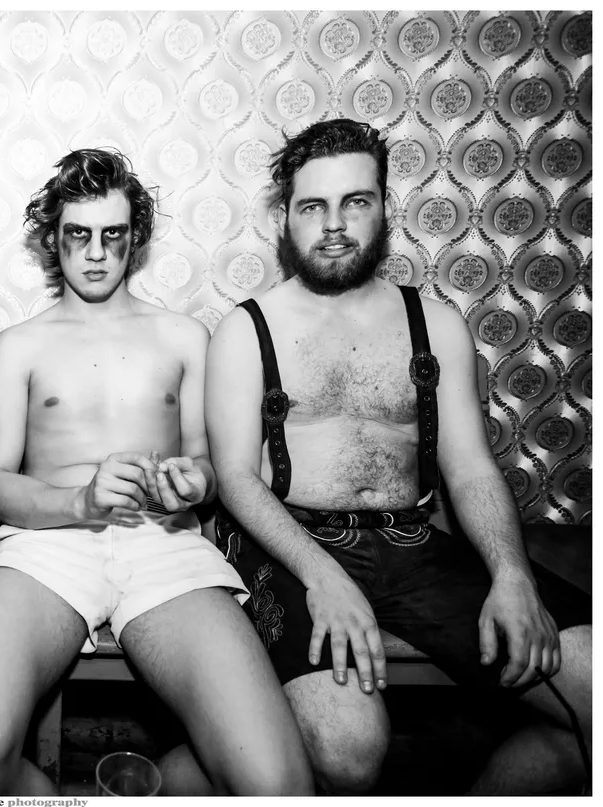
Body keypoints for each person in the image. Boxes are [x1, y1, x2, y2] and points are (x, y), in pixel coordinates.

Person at [207, 118, 592, 795]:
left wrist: (512, 575)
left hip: (413, 543)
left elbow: (470, 467)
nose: (334, 224)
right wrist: (322, 575)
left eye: (354, 201)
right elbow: (235, 479)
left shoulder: (435, 323)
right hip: (289, 545)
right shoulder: (246, 329)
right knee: (349, 748)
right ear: (284, 217)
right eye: (313, 206)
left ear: (384, 205)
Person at [0, 149, 313, 796]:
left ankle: (155, 788)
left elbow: (207, 465)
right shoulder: (18, 345)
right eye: (78, 235)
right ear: (52, 238)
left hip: (163, 542)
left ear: (135, 239)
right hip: (48, 544)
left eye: (113, 235)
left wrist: (194, 483)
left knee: (276, 783)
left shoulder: (184, 337)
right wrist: (81, 500)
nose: (96, 253)